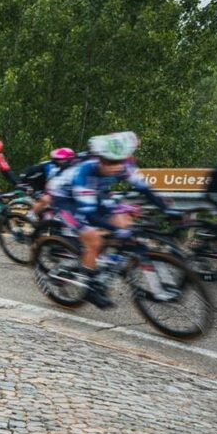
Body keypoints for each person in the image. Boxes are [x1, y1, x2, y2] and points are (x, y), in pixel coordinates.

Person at [48, 132, 179, 308]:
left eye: (119, 161)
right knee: (94, 239)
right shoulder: (85, 171)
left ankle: (102, 261)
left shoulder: (124, 165)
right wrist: (117, 231)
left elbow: (145, 189)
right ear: (99, 159)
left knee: (125, 223)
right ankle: (90, 287)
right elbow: (89, 214)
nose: (114, 167)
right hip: (65, 198)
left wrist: (167, 209)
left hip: (95, 193)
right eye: (109, 162)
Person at [23, 147, 76, 217]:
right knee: (46, 199)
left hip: (42, 182)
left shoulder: (70, 166)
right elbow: (51, 184)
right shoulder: (51, 167)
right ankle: (30, 216)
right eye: (58, 159)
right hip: (32, 183)